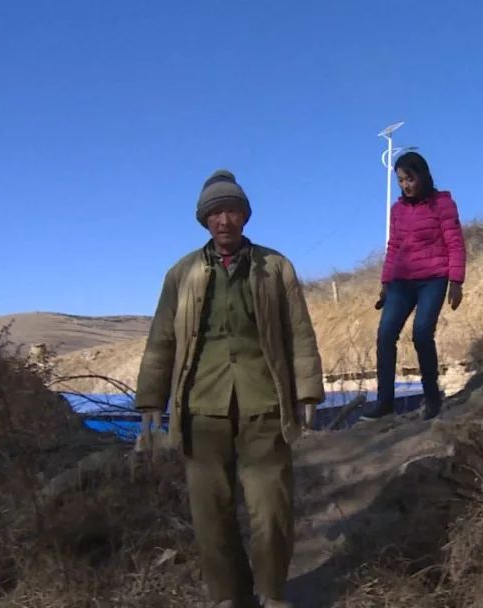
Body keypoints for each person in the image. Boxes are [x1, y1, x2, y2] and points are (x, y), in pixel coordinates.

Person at [134, 169, 324, 608]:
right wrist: (150, 400)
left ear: (245, 216)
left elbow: (300, 331)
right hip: (202, 408)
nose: (224, 221)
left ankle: (272, 594)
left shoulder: (274, 267)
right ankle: (227, 597)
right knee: (210, 514)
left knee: (271, 509)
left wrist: (308, 390)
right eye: (216, 212)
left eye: (232, 210)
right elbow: (161, 338)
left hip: (264, 404)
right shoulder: (181, 274)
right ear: (204, 220)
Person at [359, 151, 466, 422]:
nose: (405, 185)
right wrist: (385, 282)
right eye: (400, 181)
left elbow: (454, 241)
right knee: (385, 335)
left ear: (423, 175)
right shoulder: (397, 210)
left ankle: (432, 398)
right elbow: (393, 247)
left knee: (421, 333)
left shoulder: (443, 204)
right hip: (401, 281)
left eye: (409, 178)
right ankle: (385, 403)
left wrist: (456, 281)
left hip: (434, 278)